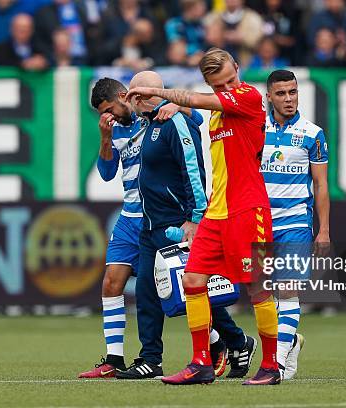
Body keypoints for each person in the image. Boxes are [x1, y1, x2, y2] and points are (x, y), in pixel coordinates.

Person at [79, 77, 252, 379]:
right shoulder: (118, 128)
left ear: (126, 96)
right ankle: (121, 358)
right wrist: (105, 138)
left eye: (109, 109)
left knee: (182, 287)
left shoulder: (156, 115)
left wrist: (176, 105)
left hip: (167, 216)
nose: (108, 116)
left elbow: (196, 118)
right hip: (136, 215)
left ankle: (228, 341)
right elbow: (107, 173)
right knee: (124, 284)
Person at [127, 48, 280, 385]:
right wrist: (176, 106)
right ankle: (201, 363)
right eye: (220, 86)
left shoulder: (249, 96)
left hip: (248, 209)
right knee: (193, 280)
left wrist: (158, 94)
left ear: (238, 68)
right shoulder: (218, 110)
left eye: (230, 79)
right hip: (217, 211)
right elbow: (198, 107)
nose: (228, 87)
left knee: (257, 288)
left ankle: (271, 366)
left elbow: (195, 100)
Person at [260, 69, 331, 379]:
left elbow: (321, 185)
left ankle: (274, 363)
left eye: (293, 92)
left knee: (287, 290)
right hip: (259, 222)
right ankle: (291, 344)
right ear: (269, 97)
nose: (288, 99)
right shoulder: (256, 129)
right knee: (265, 295)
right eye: (281, 93)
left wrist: (324, 229)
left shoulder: (313, 133)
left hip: (295, 222)